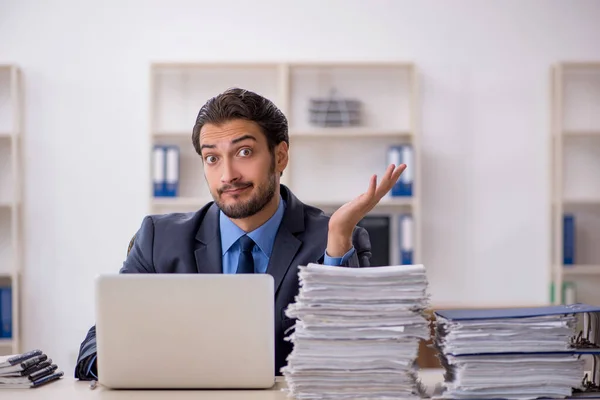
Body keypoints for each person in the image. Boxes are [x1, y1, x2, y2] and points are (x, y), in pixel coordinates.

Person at [74, 88, 407, 380]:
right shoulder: (158, 239)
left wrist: (337, 241)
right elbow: (97, 343)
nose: (228, 174)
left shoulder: (335, 238)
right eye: (212, 158)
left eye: (244, 152)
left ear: (280, 156)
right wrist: (128, 364)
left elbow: (352, 355)